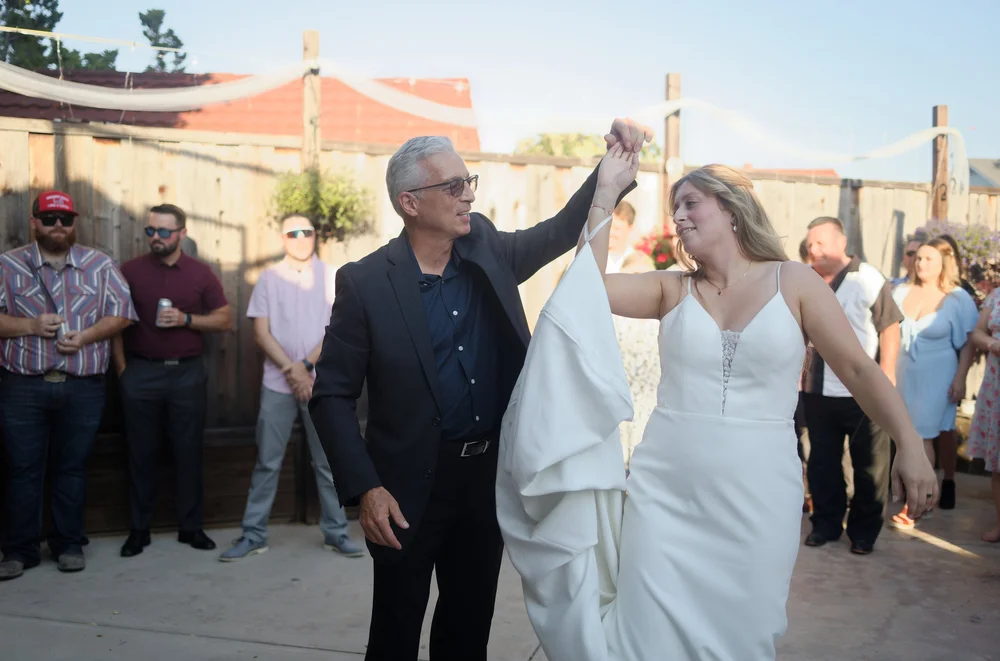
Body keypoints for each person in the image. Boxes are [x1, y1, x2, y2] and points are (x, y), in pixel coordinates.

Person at [497, 158, 939, 661]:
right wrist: (606, 194)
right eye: (674, 208)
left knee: (743, 633)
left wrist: (909, 443)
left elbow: (860, 370)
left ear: (731, 209)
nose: (678, 217)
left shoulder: (793, 281)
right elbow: (583, 289)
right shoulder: (672, 287)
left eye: (691, 203)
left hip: (759, 495)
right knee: (647, 632)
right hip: (664, 493)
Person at [308, 119, 645, 661]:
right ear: (410, 203)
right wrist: (366, 488)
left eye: (470, 181)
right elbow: (330, 396)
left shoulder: (485, 246)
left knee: (468, 627)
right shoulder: (366, 283)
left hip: (485, 480)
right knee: (395, 631)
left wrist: (610, 171)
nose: (467, 194)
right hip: (404, 489)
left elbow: (561, 230)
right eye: (453, 186)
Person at [0, 191, 137, 581]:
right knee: (21, 469)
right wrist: (29, 325)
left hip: (82, 387)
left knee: (72, 468)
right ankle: (18, 549)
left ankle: (68, 542)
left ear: (74, 223)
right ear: (34, 222)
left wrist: (88, 336)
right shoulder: (7, 266)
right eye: (48, 218)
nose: (58, 226)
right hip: (22, 386)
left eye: (65, 219)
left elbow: (123, 314)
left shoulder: (101, 265)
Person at [220, 214, 363, 561]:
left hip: (321, 385)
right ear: (283, 239)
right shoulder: (268, 278)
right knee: (267, 462)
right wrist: (291, 369)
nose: (300, 238)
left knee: (328, 463)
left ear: (315, 236)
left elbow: (336, 328)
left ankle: (336, 533)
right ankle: (253, 534)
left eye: (307, 232)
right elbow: (260, 333)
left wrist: (306, 367)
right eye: (293, 233)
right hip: (278, 383)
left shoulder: (331, 277)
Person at [112, 204, 233, 557]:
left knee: (188, 452)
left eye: (164, 232)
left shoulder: (200, 273)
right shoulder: (129, 271)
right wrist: (123, 371)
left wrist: (186, 319)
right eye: (151, 231)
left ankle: (191, 528)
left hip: (186, 373)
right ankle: (138, 530)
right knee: (139, 453)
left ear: (181, 233)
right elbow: (114, 321)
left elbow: (224, 320)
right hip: (142, 372)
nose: (156, 238)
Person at [801, 216, 902, 554]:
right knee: (822, 463)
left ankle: (862, 532)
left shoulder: (867, 278)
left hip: (861, 392)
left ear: (841, 242)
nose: (813, 250)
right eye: (810, 244)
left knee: (869, 466)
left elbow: (889, 325)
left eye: (820, 243)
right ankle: (826, 525)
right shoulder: (806, 279)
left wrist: (887, 372)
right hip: (816, 390)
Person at [889, 237, 978, 527]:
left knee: (923, 433)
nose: (921, 263)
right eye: (918, 258)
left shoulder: (956, 298)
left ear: (943, 264)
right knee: (902, 432)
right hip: (904, 372)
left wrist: (960, 378)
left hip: (938, 373)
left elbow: (968, 343)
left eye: (929, 259)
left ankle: (916, 502)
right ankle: (905, 492)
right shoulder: (900, 291)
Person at [966, 288, 1000, 543]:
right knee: (998, 462)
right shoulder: (996, 295)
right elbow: (977, 332)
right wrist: (992, 344)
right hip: (995, 388)